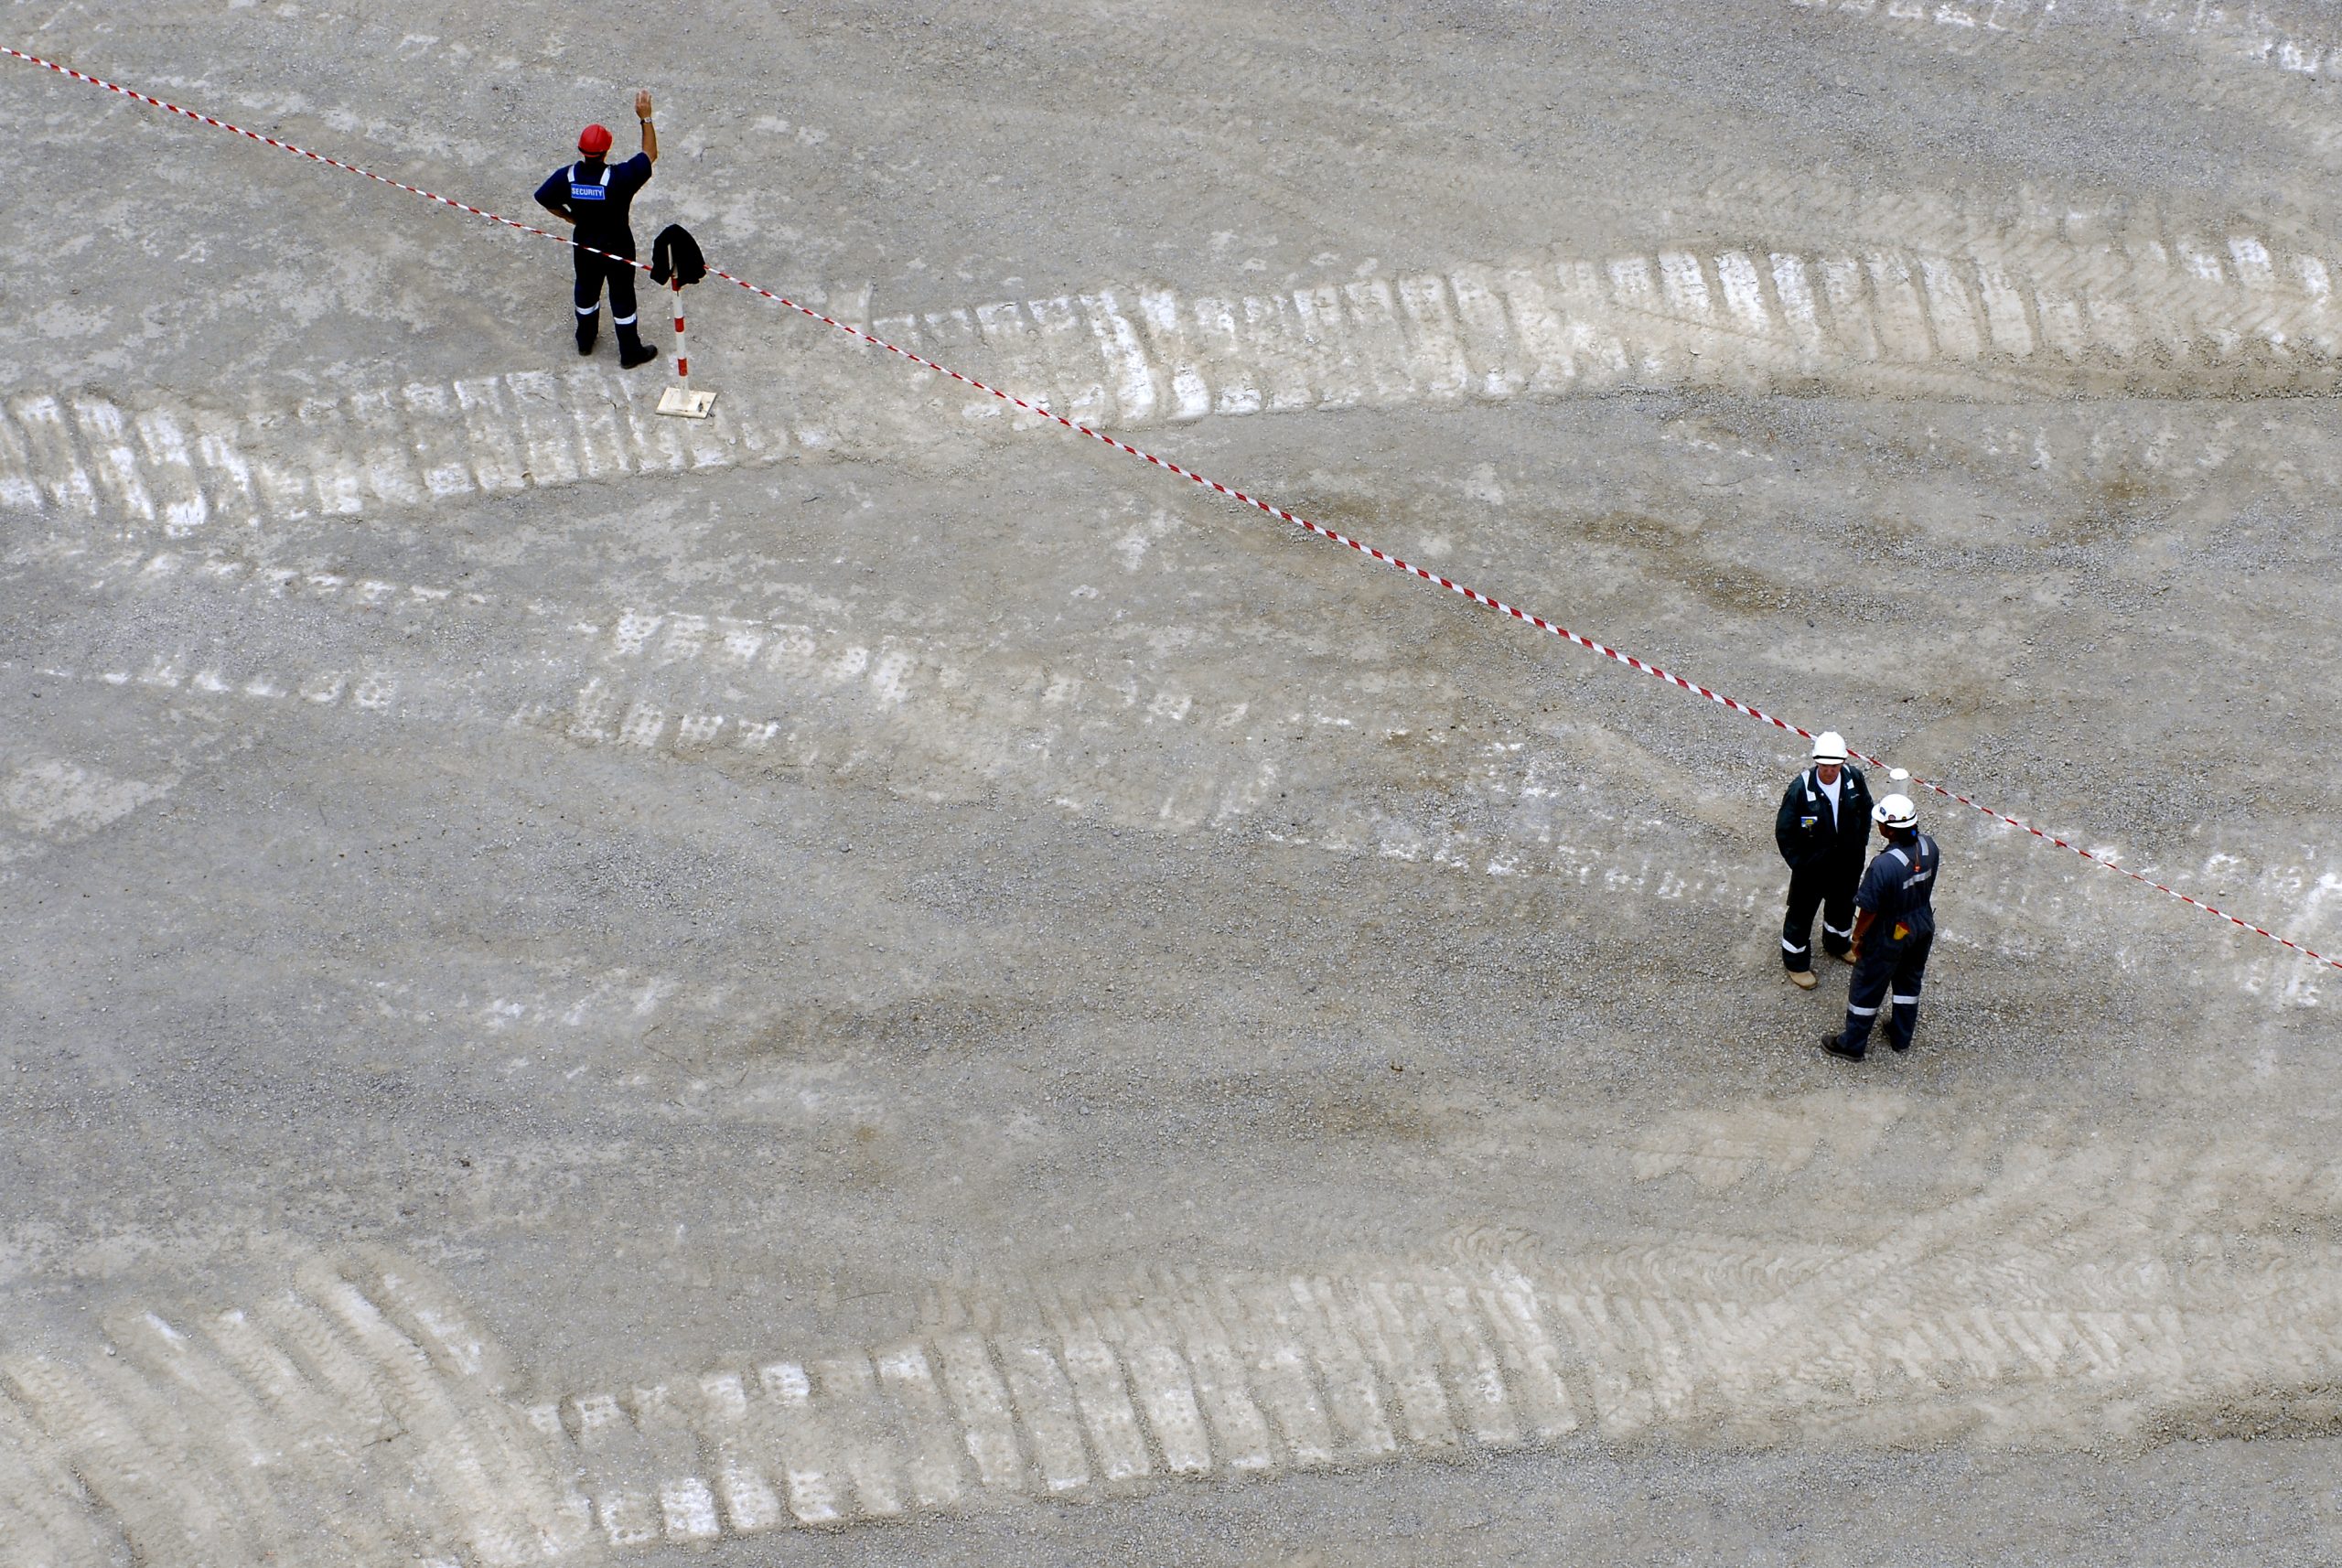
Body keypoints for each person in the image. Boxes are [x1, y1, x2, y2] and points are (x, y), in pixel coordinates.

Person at [534, 91, 661, 368]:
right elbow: (649, 154)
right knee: (622, 294)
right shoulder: (619, 178)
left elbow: (543, 198)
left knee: (586, 289)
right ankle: (629, 351)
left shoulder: (566, 177)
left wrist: (569, 218)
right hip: (618, 245)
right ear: (606, 150)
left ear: (581, 150)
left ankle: (585, 339)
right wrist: (645, 117)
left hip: (586, 242)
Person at [1821, 794, 1940, 1061]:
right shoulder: (1930, 847)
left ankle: (1852, 1044)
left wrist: (1857, 937)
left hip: (1890, 932)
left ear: (1888, 828)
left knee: (1867, 986)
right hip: (1921, 924)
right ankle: (1901, 1035)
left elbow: (1869, 909)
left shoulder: (1884, 865)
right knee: (1909, 981)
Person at [1773, 731, 1874, 989]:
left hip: (1847, 866)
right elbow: (1785, 831)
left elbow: (1865, 809)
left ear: (1843, 762)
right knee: (1801, 914)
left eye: (1835, 765)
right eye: (1825, 765)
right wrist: (1800, 864)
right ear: (1816, 762)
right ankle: (1796, 962)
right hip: (1812, 870)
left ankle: (1837, 943)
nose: (1830, 771)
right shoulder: (1800, 789)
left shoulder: (1853, 780)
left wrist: (1858, 847)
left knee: (1843, 908)